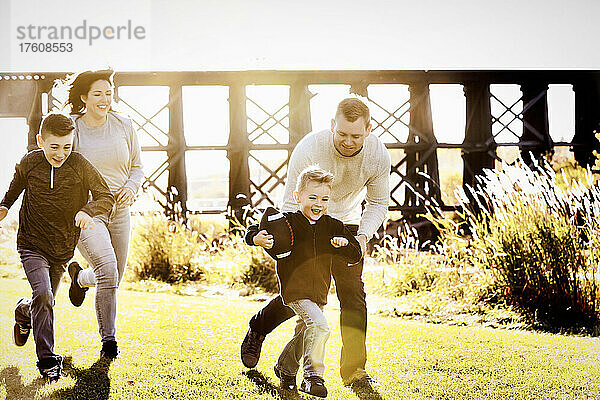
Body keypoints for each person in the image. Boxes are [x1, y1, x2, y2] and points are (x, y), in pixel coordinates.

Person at [241, 97, 391, 390]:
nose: (349, 141)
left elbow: (377, 203)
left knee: (352, 293)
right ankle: (258, 328)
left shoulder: (377, 155)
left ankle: (354, 371)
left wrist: (361, 237)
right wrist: (286, 242)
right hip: (306, 221)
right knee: (301, 294)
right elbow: (288, 202)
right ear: (332, 125)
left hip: (346, 225)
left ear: (369, 130)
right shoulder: (309, 148)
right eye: (343, 134)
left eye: (356, 136)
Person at [1, 113, 114, 381]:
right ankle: (48, 360)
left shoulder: (79, 165)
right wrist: (4, 206)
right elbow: (15, 188)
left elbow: (105, 196)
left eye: (67, 146)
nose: (61, 153)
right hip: (31, 244)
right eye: (54, 146)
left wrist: (89, 210)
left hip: (62, 249)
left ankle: (23, 310)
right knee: (43, 293)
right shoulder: (30, 162)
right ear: (41, 140)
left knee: (45, 300)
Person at [246, 166, 362, 397]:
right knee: (320, 327)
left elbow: (356, 253)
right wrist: (255, 238)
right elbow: (256, 229)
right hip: (295, 291)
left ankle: (285, 369)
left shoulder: (333, 226)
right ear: (298, 197)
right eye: (312, 197)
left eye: (324, 198)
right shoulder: (288, 222)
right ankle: (312, 377)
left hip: (319, 292)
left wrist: (345, 244)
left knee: (305, 334)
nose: (318, 203)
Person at [62, 69, 144, 359]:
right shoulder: (74, 129)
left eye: (108, 93)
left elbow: (137, 166)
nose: (104, 99)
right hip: (88, 213)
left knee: (113, 276)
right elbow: (58, 162)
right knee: (107, 271)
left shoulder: (124, 124)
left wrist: (132, 188)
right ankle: (109, 340)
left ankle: (80, 278)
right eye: (98, 93)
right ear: (84, 97)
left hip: (120, 211)